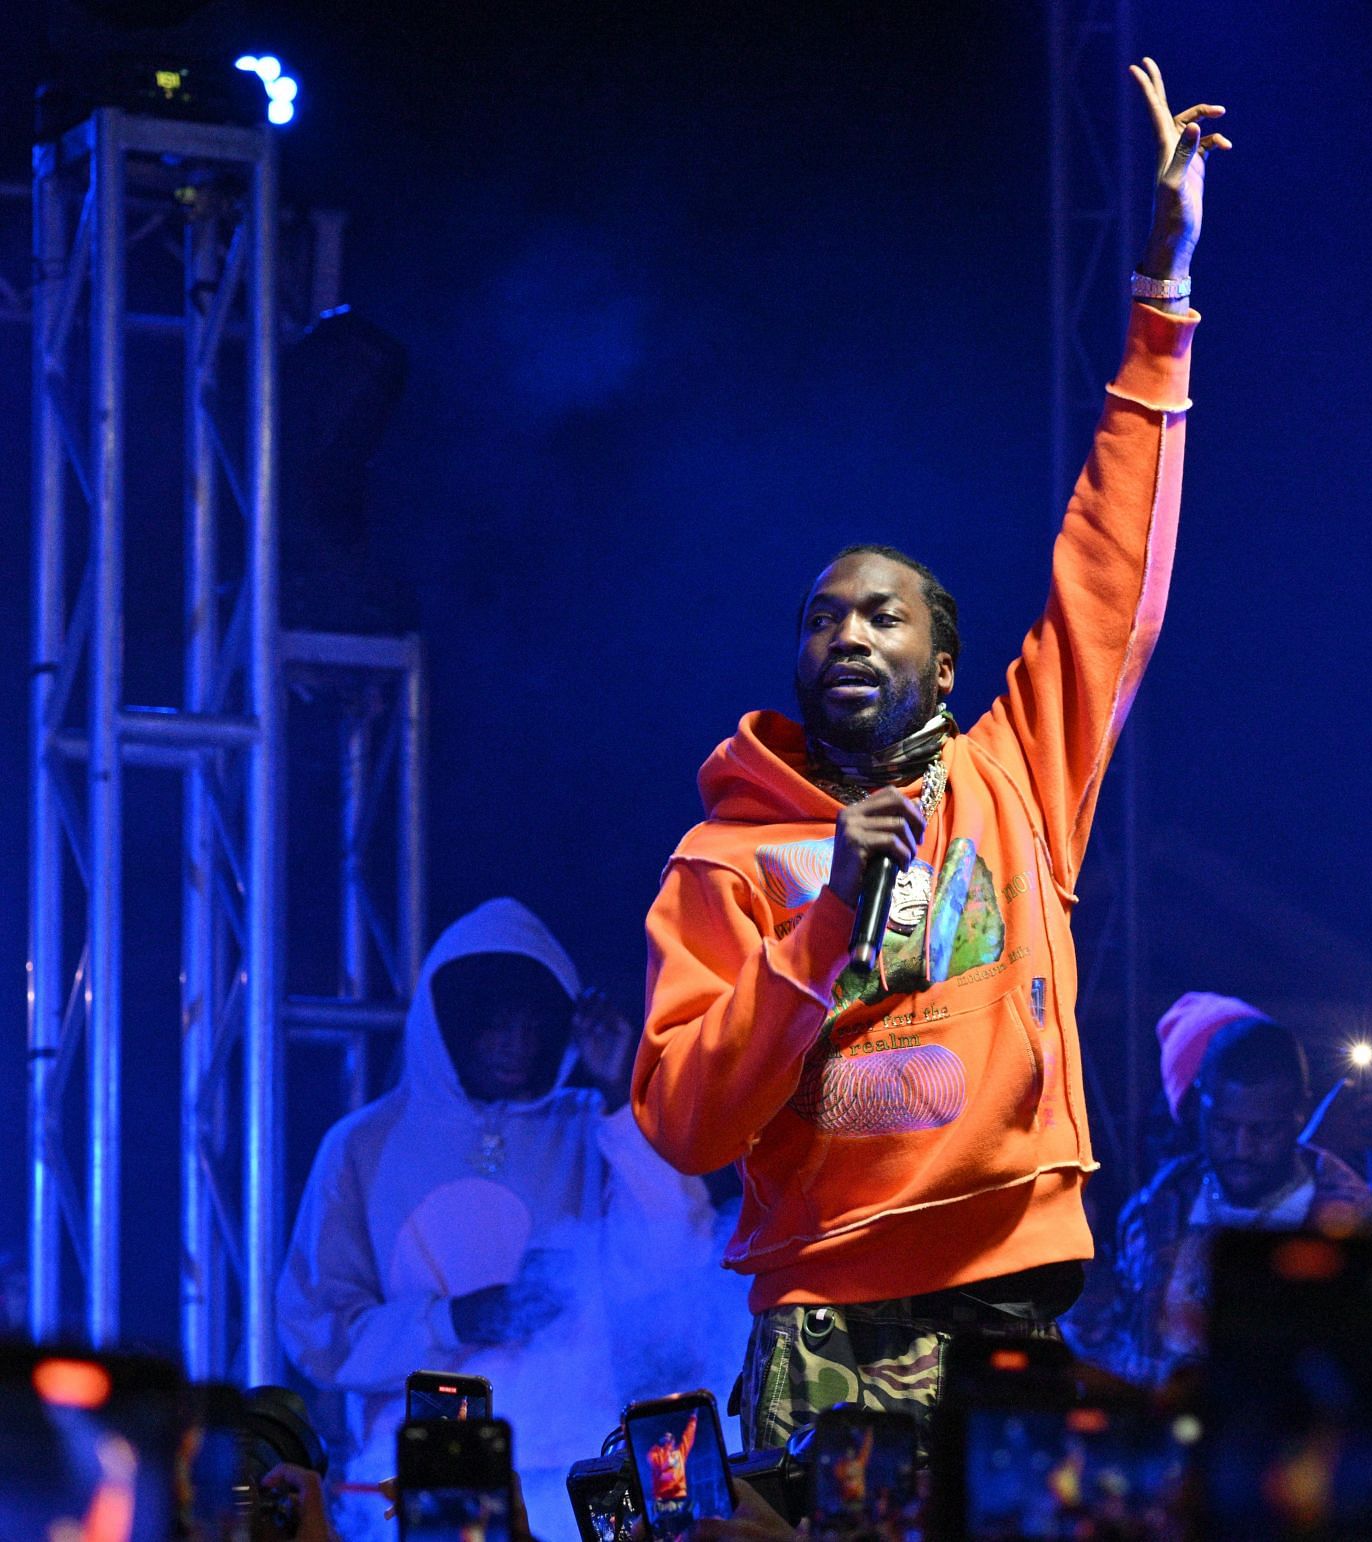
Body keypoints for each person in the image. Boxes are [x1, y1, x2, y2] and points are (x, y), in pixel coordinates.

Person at [633, 58, 1226, 1453]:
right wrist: (825, 918)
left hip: (1011, 1290)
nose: (847, 631)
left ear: (943, 664)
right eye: (821, 615)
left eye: (880, 612)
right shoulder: (723, 855)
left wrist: (1163, 302)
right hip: (824, 1319)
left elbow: (1109, 576)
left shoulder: (1014, 775)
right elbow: (683, 1123)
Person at [279, 898, 738, 1539]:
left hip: (572, 1471)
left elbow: (675, 1255)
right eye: (495, 1023)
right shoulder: (364, 1143)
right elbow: (315, 1326)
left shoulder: (590, 1122)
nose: (518, 1043)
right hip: (412, 1479)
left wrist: (620, 1095)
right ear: (450, 1024)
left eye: (533, 1023)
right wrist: (455, 1318)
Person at [1065, 1009, 1372, 1386]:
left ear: (1299, 1113)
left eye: (1263, 1130)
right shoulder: (1156, 1212)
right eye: (1224, 1127)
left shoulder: (1357, 1230)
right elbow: (1126, 1364)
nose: (1241, 1148)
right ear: (1202, 1105)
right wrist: (1085, 1279)